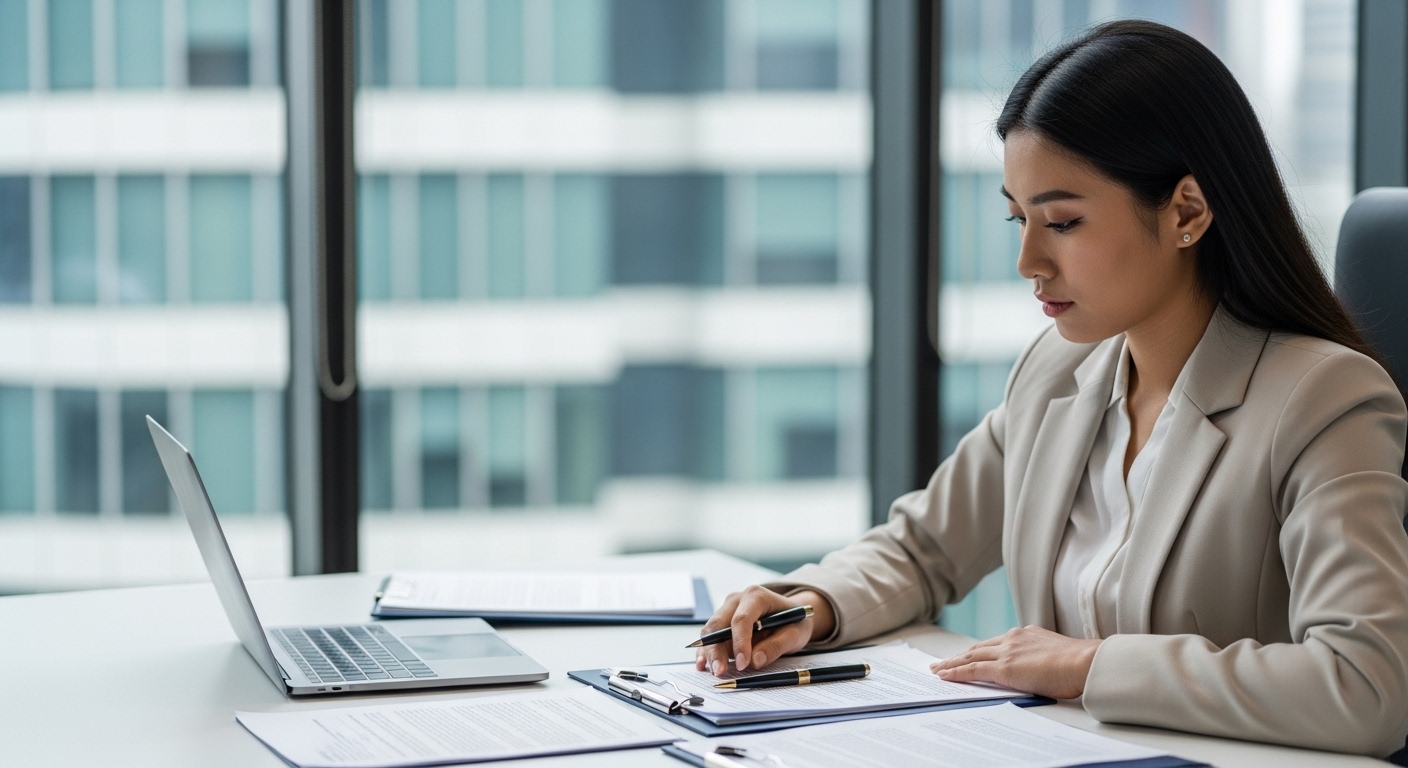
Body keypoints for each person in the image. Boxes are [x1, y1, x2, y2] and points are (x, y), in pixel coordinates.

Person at [696, 19, 1408, 758]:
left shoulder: (1324, 400)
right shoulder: (1058, 373)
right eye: (1018, 218)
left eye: (1063, 222)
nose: (1028, 260)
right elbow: (924, 548)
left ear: (1187, 211)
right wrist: (812, 606)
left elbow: (1365, 688)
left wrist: (1087, 665)